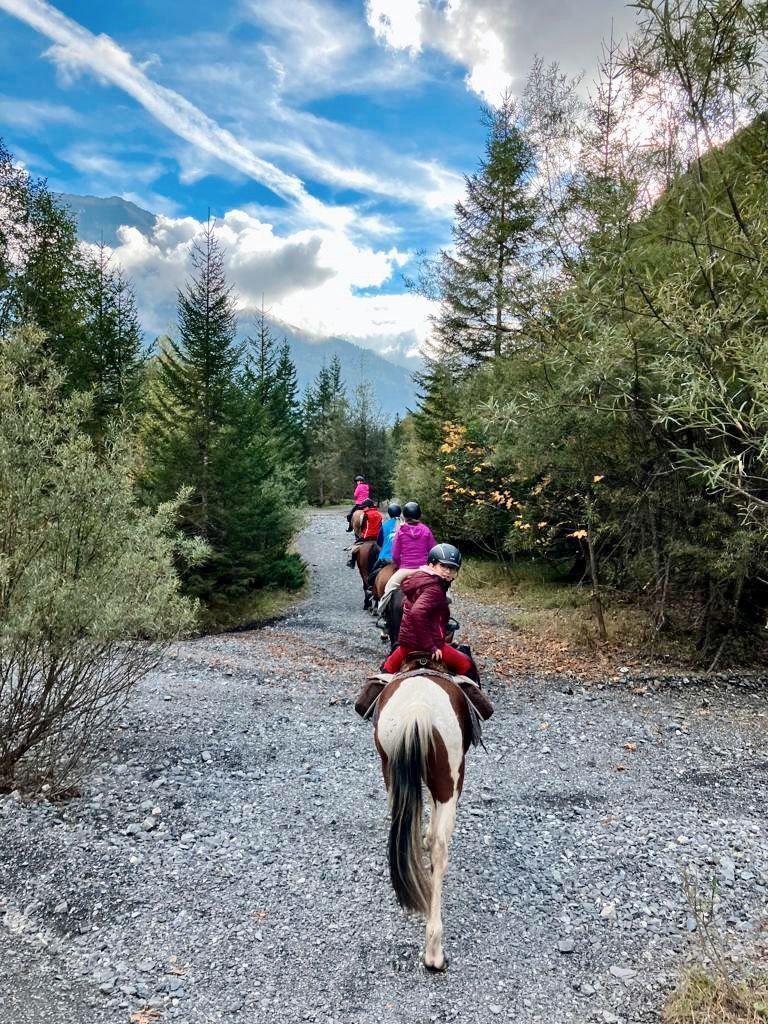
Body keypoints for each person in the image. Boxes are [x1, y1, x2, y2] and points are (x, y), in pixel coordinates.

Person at [381, 543, 479, 681]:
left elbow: (407, 605)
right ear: (432, 564)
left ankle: (369, 702)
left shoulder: (419, 580)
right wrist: (431, 646)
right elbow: (417, 613)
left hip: (406, 645)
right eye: (443, 566)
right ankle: (476, 702)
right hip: (427, 645)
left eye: (452, 568)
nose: (448, 572)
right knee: (468, 665)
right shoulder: (435, 588)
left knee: (384, 672)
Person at [391, 501, 436, 569]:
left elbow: (395, 556)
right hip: (423, 568)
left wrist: (400, 565)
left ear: (404, 515)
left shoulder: (400, 531)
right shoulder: (426, 530)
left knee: (392, 580)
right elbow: (433, 551)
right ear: (419, 515)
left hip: (405, 568)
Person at [368, 502, 401, 584]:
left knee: (372, 573)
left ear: (389, 514)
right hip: (402, 559)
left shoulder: (384, 526)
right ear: (400, 513)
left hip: (386, 557)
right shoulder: (406, 525)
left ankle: (370, 588)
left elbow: (379, 543)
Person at [347, 499, 383, 568]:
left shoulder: (365, 514)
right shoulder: (379, 514)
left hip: (366, 536)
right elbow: (381, 526)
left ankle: (352, 562)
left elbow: (362, 526)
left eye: (364, 507)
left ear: (369, 507)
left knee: (354, 548)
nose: (363, 508)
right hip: (377, 537)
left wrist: (361, 535)